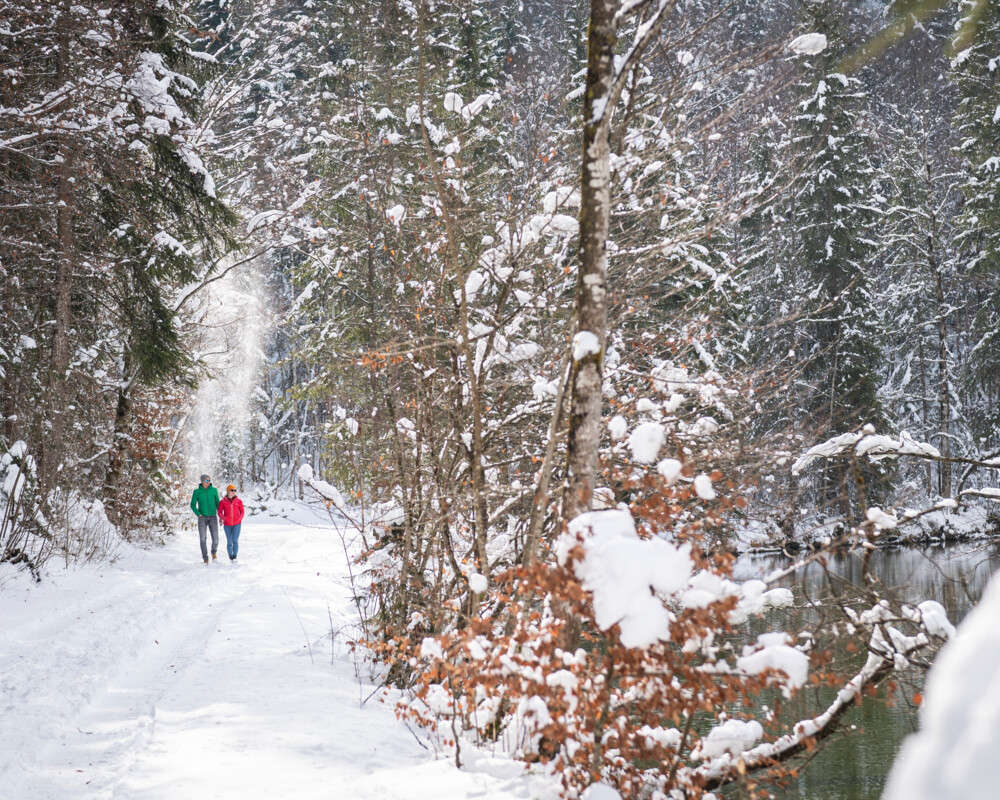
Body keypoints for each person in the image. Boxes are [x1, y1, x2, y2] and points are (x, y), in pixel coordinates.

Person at [190, 474, 221, 564]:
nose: (208, 482)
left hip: (213, 517)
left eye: (209, 480)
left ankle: (213, 552)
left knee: (216, 539)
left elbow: (218, 504)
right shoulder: (197, 492)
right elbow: (192, 505)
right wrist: (199, 514)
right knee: (203, 539)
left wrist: (221, 516)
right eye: (206, 480)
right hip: (202, 518)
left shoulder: (214, 490)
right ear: (202, 481)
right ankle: (205, 558)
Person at [218, 484, 245, 562]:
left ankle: (235, 556)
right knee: (229, 541)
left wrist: (240, 518)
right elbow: (219, 512)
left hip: (237, 524)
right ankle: (230, 556)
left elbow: (242, 511)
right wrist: (224, 518)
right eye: (232, 490)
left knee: (235, 540)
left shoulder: (239, 501)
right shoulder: (223, 502)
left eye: (235, 490)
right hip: (227, 525)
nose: (234, 492)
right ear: (228, 491)